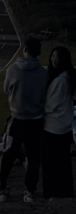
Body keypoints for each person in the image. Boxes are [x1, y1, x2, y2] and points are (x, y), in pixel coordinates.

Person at [0, 35, 48, 203]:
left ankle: (1, 189)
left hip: (17, 119)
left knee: (7, 155)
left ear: (25, 50)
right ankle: (29, 191)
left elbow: (6, 89)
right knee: (33, 157)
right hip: (36, 120)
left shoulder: (13, 69)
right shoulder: (43, 73)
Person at [42, 45, 76, 198]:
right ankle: (65, 190)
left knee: (51, 162)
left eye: (57, 57)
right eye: (53, 56)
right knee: (63, 161)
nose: (54, 59)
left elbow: (50, 105)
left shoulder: (61, 81)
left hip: (53, 126)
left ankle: (52, 191)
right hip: (64, 125)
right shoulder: (68, 77)